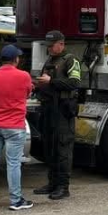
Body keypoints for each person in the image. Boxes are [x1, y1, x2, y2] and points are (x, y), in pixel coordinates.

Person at [0, 44, 34, 210]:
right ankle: (16, 200)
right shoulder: (24, 76)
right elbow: (28, 94)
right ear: (15, 59)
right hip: (15, 126)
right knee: (13, 163)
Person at [34, 30, 82, 201]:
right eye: (47, 45)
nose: (49, 49)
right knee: (50, 147)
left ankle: (63, 186)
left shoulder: (70, 60)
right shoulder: (49, 60)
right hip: (48, 108)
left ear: (61, 44)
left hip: (63, 109)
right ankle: (52, 183)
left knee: (63, 148)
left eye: (52, 45)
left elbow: (75, 82)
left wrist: (51, 82)